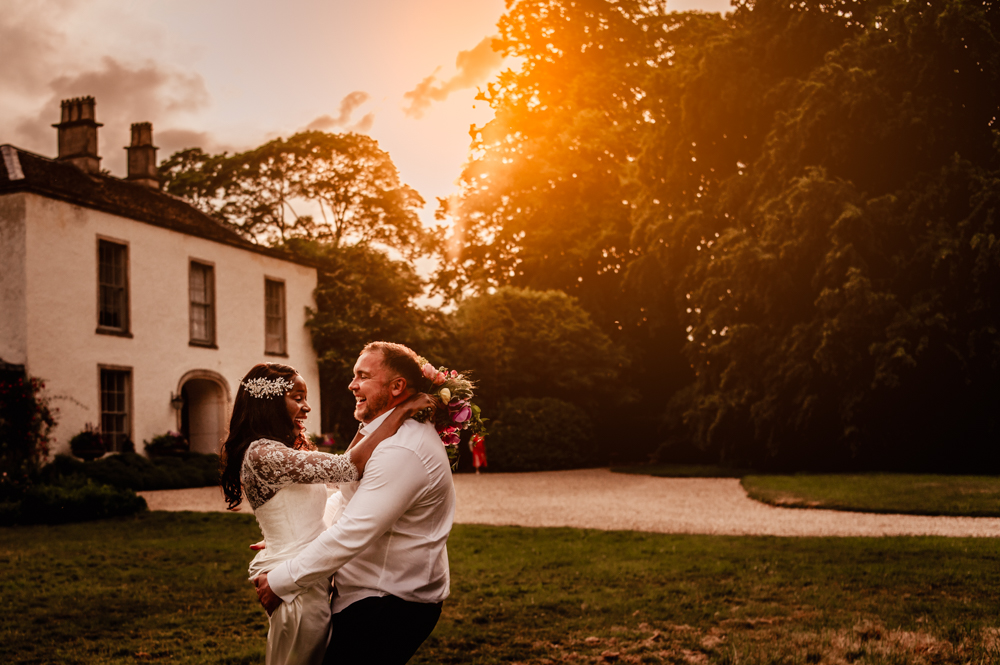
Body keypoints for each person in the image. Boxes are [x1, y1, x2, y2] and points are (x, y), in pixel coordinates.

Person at [254, 342, 456, 665]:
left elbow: (353, 531)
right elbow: (346, 498)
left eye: (363, 376)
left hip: (388, 603)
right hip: (369, 595)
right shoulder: (384, 436)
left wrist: (280, 582)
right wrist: (298, 537)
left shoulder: (402, 449)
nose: (352, 385)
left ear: (397, 387)